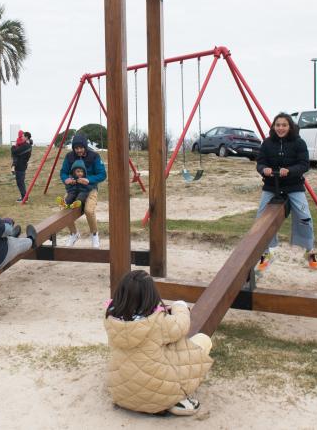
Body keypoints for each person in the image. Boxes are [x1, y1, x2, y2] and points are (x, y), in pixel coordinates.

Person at [104, 270, 213, 416]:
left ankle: (154, 401)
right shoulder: (158, 322)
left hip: (120, 392)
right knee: (202, 340)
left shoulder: (110, 318)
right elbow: (182, 324)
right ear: (151, 295)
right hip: (158, 390)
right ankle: (171, 402)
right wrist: (179, 306)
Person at [255, 112, 317, 271]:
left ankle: (309, 250)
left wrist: (289, 171)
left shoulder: (299, 143)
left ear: (290, 126)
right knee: (261, 218)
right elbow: (260, 163)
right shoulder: (267, 143)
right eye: (278, 125)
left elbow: (304, 165)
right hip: (271, 185)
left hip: (293, 186)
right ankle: (266, 252)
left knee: (305, 217)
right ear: (273, 127)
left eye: (284, 125)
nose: (281, 128)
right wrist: (265, 169)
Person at [59, 133, 106, 248]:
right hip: (74, 188)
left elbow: (102, 174)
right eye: (76, 148)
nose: (79, 150)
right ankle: (74, 233)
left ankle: (94, 234)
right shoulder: (69, 156)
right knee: (63, 208)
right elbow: (63, 172)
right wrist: (66, 179)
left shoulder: (94, 156)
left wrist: (88, 180)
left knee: (89, 210)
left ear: (85, 146)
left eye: (81, 148)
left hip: (90, 188)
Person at [11, 130, 33, 202]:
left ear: (26, 137)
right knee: (20, 182)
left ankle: (24, 197)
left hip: (20, 166)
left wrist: (13, 146)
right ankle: (24, 196)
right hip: (22, 165)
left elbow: (14, 152)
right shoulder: (27, 145)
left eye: (23, 136)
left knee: (20, 182)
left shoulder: (25, 146)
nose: (22, 137)